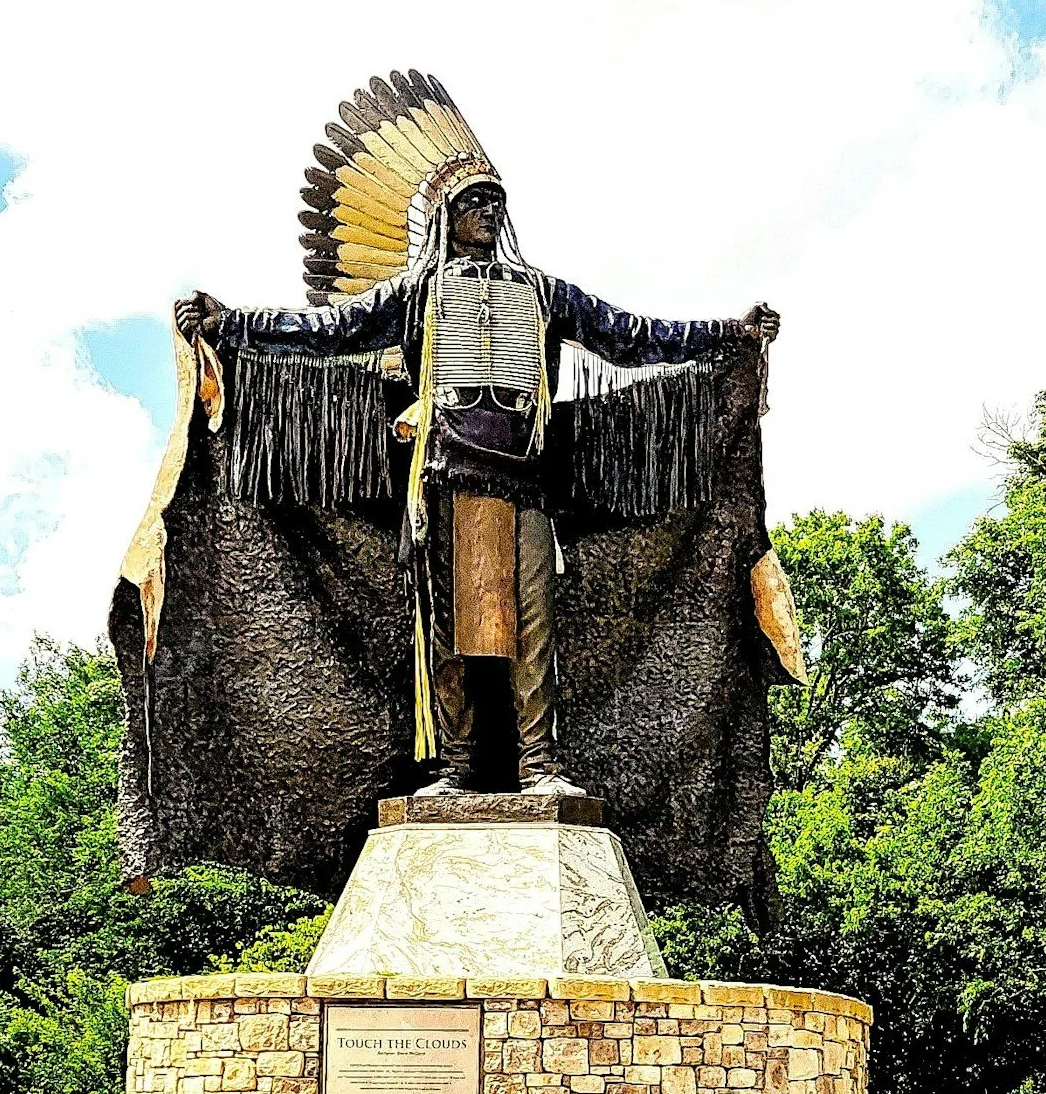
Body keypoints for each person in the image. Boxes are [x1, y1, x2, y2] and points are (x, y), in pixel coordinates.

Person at [175, 71, 777, 797]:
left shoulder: (544, 293)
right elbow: (330, 329)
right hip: (444, 482)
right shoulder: (416, 293)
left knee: (532, 633)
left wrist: (729, 336)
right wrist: (232, 322)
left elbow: (632, 336)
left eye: (496, 202)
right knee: (450, 636)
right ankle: (456, 769)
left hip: (525, 487)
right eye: (473, 202)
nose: (488, 212)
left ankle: (540, 765)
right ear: (445, 215)